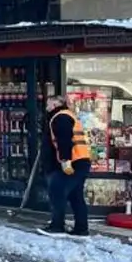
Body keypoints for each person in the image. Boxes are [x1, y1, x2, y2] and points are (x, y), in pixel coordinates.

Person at [40, 94, 92, 237]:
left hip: (72, 162)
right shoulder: (67, 115)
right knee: (76, 197)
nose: (46, 107)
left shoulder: (60, 117)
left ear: (56, 104)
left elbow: (64, 140)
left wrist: (65, 160)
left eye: (49, 104)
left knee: (57, 193)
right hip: (81, 161)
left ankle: (57, 226)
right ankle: (81, 229)